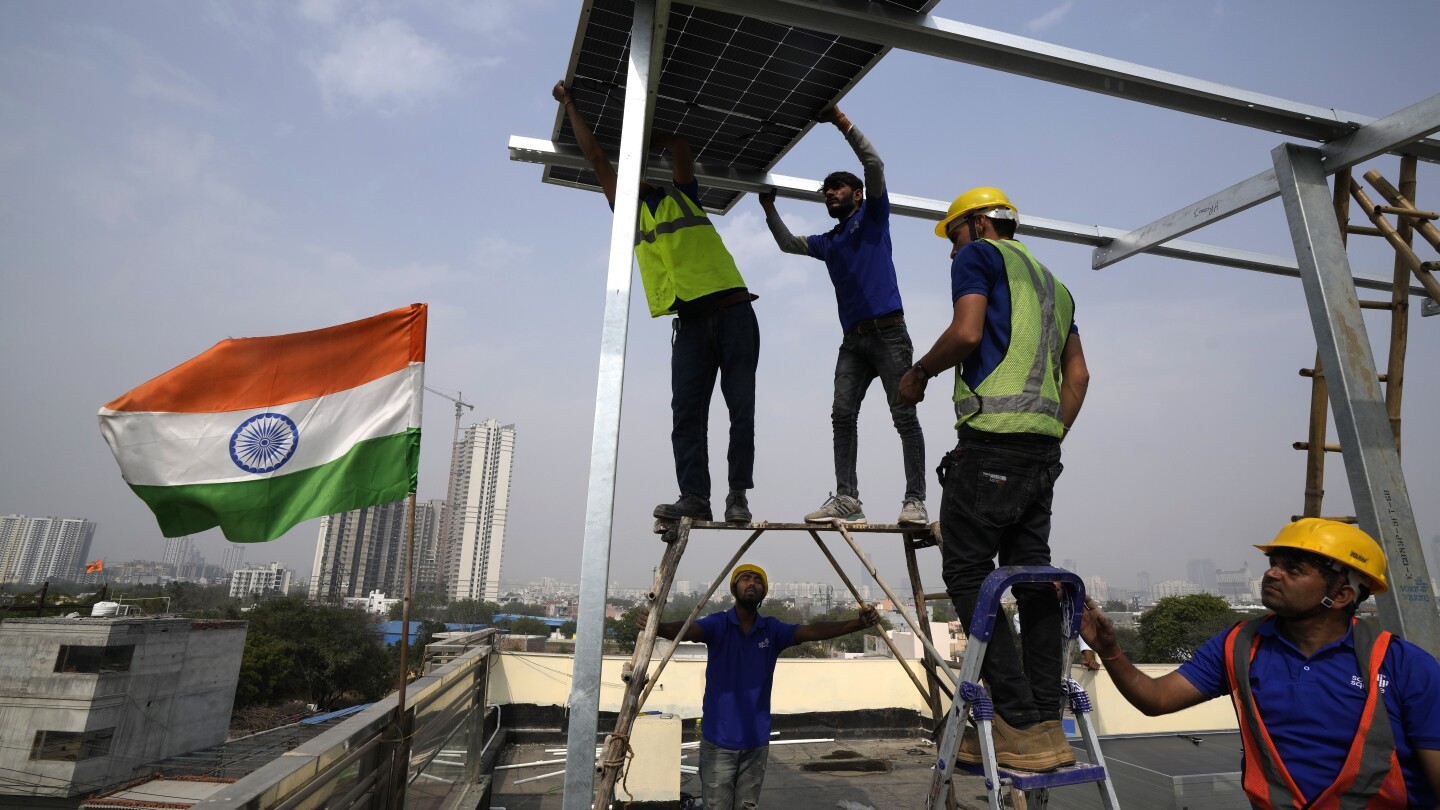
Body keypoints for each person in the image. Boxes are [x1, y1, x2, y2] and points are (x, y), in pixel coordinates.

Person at [897, 186, 1090, 772]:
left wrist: (919, 373)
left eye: (953, 235)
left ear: (979, 224)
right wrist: (1048, 438)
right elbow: (1078, 376)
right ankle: (1046, 728)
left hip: (989, 446)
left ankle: (1016, 719)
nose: (950, 251)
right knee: (1031, 579)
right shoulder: (1057, 286)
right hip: (1040, 452)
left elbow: (968, 333)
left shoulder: (979, 257)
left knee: (965, 568)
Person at [1081, 519, 1440, 808]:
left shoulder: (1404, 666)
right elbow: (1156, 699)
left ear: (1342, 594)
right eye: (1274, 564)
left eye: (1294, 569)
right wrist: (1109, 650)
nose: (1273, 574)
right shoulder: (1239, 645)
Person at [553, 81, 759, 525]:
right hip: (689, 323)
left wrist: (650, 134)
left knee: (740, 407)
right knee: (686, 414)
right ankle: (695, 497)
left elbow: (681, 148)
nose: (629, 174)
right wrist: (569, 104)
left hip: (733, 311)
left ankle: (737, 496)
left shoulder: (681, 193)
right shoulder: (626, 209)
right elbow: (594, 158)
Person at [758, 105, 927, 527]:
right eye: (826, 191)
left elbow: (874, 163)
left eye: (838, 187)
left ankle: (916, 500)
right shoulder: (829, 241)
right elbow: (787, 244)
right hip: (854, 341)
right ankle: (847, 497)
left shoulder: (873, 217)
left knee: (903, 415)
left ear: (858, 194)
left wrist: (841, 121)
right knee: (842, 416)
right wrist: (768, 209)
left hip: (889, 333)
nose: (830, 193)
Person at [639, 564, 881, 809]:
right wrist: (656, 626)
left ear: (764, 592)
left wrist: (856, 624)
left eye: (757, 580)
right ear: (734, 588)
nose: (752, 583)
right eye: (745, 579)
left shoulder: (772, 630)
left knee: (746, 806)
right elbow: (689, 630)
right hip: (718, 742)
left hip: (756, 742)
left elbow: (810, 631)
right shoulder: (718, 625)